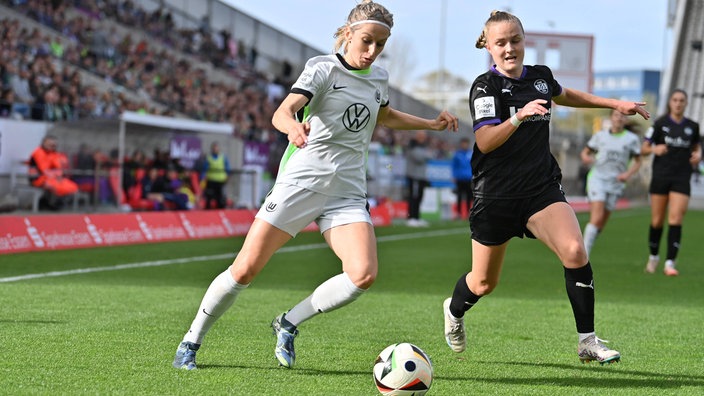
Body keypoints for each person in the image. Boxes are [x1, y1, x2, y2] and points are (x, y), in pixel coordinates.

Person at [172, 0, 458, 370]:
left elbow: (384, 115)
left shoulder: (379, 78)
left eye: (380, 45)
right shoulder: (322, 69)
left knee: (363, 275)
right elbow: (283, 111)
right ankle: (191, 341)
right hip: (301, 183)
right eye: (367, 41)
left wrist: (430, 124)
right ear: (348, 34)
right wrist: (292, 126)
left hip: (347, 191)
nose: (372, 52)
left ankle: (288, 322)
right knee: (244, 270)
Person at [442, 10, 650, 365]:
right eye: (501, 43)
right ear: (488, 47)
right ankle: (454, 310)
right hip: (495, 197)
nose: (510, 48)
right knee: (483, 283)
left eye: (516, 40)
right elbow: (486, 141)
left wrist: (615, 103)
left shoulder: (540, 78)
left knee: (575, 251)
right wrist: (518, 116)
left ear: (525, 40)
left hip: (540, 190)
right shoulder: (485, 86)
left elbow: (566, 95)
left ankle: (587, 341)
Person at [642, 89, 701, 276]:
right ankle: (653, 257)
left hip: (682, 177)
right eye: (675, 100)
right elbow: (644, 148)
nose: (678, 103)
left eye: (682, 100)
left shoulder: (693, 126)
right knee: (657, 220)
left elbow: (696, 147)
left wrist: (698, 155)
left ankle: (670, 263)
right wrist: (654, 149)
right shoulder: (660, 124)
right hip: (661, 176)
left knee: (675, 218)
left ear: (686, 103)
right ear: (670, 102)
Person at [580, 110, 642, 256]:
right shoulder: (600, 136)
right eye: (616, 115)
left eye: (622, 116)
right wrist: (586, 158)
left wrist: (627, 174)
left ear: (626, 120)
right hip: (598, 179)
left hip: (616, 183)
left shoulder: (631, 139)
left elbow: (638, 161)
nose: (619, 118)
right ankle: (583, 256)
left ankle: (587, 245)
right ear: (611, 118)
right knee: (595, 218)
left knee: (600, 223)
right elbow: (585, 152)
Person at [28, 134, 78, 210]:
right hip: (38, 179)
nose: (52, 146)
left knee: (72, 187)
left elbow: (60, 169)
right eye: (50, 144)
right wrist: (56, 173)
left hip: (52, 178)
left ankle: (53, 204)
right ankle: (51, 204)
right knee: (56, 187)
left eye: (54, 145)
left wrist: (59, 171)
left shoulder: (54, 154)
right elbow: (44, 170)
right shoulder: (38, 152)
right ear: (44, 143)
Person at [405, 130, 435, 227]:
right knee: (414, 197)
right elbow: (419, 158)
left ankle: (416, 217)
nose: (423, 138)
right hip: (414, 176)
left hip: (421, 176)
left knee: (419, 197)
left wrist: (427, 155)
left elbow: (431, 155)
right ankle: (411, 218)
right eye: (421, 136)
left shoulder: (421, 147)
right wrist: (427, 155)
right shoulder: (412, 146)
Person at [200, 141, 231, 209]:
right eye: (214, 148)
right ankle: (208, 212)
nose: (215, 149)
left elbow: (228, 168)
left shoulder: (223, 157)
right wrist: (202, 178)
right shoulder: (209, 157)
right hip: (211, 180)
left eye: (216, 148)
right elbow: (204, 169)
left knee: (220, 198)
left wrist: (227, 177)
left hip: (220, 181)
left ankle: (220, 211)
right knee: (209, 197)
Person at [451, 137, 474, 220]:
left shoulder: (471, 153)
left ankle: (468, 213)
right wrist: (454, 176)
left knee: (469, 196)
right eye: (463, 143)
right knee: (460, 196)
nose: (464, 145)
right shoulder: (457, 154)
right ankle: (459, 213)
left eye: (466, 143)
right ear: (461, 144)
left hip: (469, 178)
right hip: (460, 178)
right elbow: (454, 166)